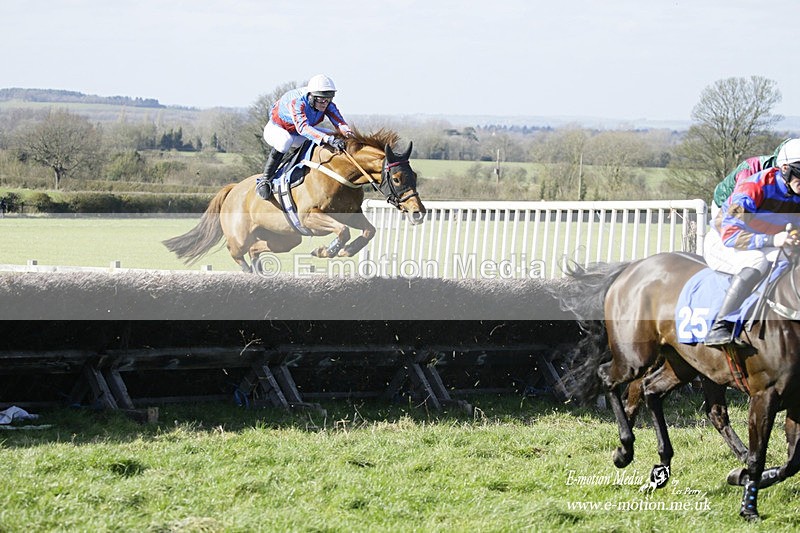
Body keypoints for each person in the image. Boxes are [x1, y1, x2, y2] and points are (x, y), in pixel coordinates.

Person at [703, 140, 800, 346]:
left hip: (760, 243)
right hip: (723, 242)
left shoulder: (796, 191)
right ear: (785, 168)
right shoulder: (754, 186)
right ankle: (719, 326)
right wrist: (773, 239)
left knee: (789, 260)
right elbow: (730, 234)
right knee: (757, 261)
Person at [256, 74, 354, 200]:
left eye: (329, 99)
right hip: (277, 130)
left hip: (298, 133)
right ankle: (265, 180)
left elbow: (340, 123)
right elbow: (303, 128)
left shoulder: (327, 104)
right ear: (311, 96)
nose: (325, 103)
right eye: (322, 100)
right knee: (285, 141)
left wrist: (350, 137)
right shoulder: (297, 102)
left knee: (332, 134)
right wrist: (328, 139)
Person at [710, 138, 800, 219]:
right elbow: (738, 208)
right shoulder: (752, 169)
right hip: (724, 203)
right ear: (784, 167)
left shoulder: (787, 176)